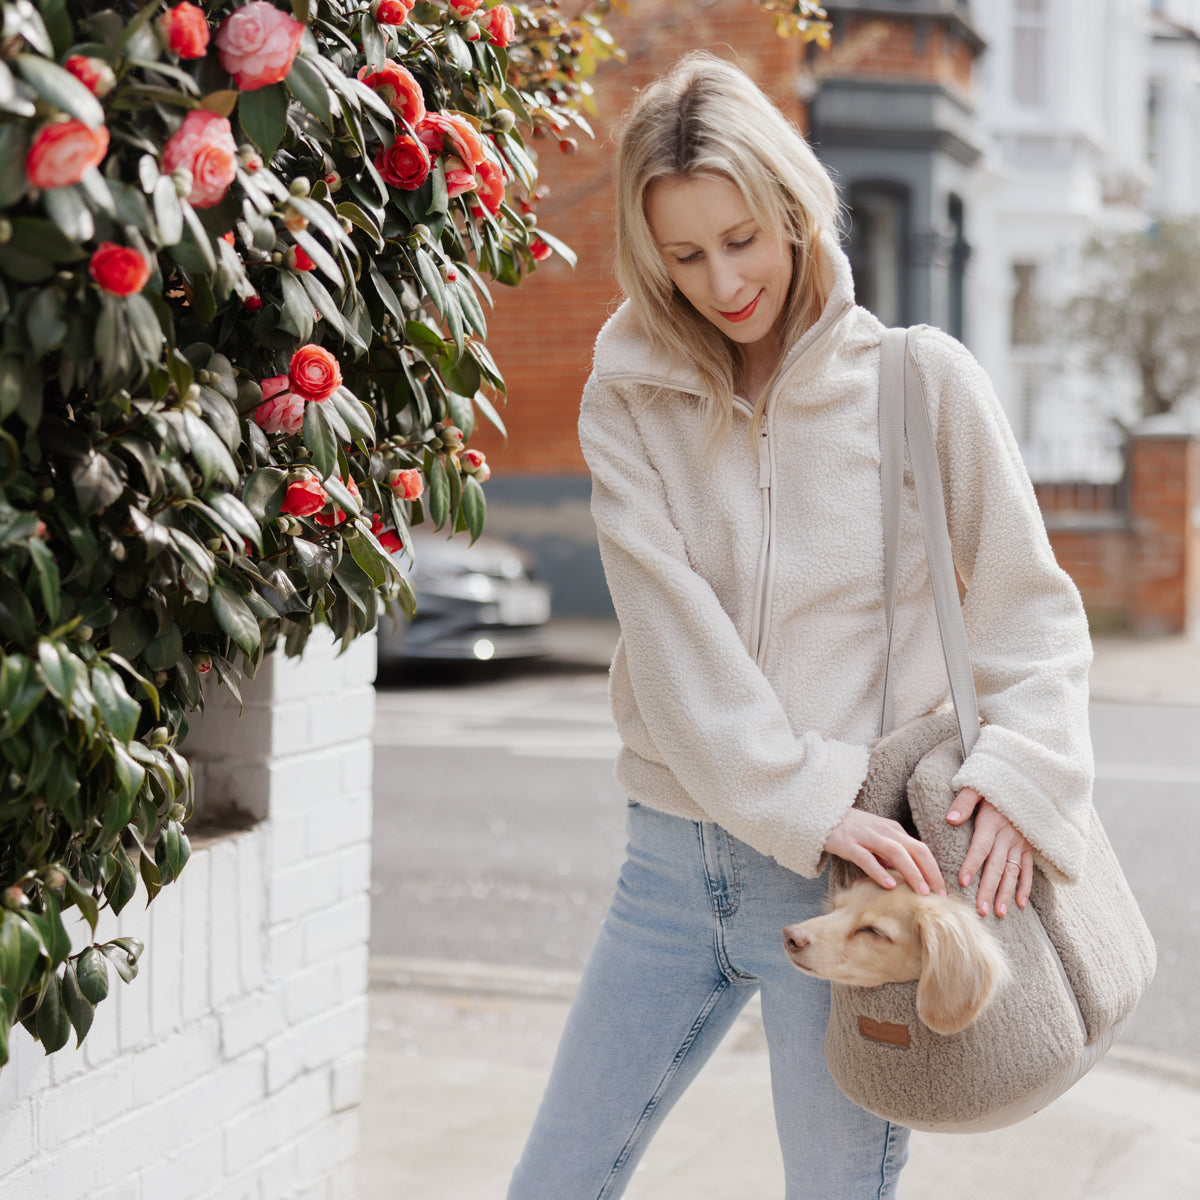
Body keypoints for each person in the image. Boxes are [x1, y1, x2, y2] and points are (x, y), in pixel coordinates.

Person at [507, 52, 1094, 1200]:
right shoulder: (627, 395)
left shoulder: (921, 383)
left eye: (742, 239)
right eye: (684, 256)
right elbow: (671, 639)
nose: (724, 281)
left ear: (792, 210)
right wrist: (800, 794)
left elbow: (1028, 611)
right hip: (669, 860)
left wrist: (1022, 775)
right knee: (555, 1180)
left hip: (853, 887)